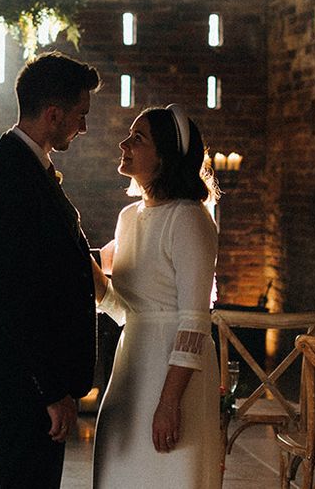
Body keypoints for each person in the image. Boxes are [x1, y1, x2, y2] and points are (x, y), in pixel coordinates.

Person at [0, 51, 101, 489]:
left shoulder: (21, 166)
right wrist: (50, 389)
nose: (83, 127)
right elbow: (15, 294)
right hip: (29, 379)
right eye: (80, 115)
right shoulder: (9, 174)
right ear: (53, 114)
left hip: (31, 375)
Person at [90, 104, 222, 488]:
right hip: (131, 361)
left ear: (164, 156)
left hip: (175, 372)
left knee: (169, 473)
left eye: (137, 138)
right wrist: (82, 262)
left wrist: (169, 402)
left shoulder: (190, 218)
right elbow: (121, 307)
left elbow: (195, 319)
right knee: (118, 469)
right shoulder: (128, 217)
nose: (123, 143)